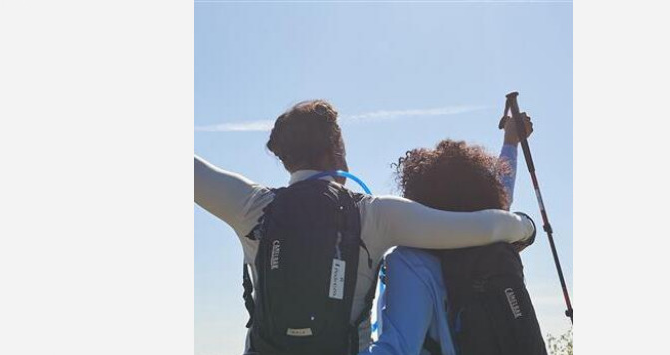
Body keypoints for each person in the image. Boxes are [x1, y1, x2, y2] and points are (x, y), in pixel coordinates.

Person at [194, 99, 536, 354]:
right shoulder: (375, 215)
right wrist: (524, 228)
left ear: (284, 157)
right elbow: (482, 223)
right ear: (337, 150)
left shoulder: (252, 206)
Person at [361, 113, 537, 355]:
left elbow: (398, 349)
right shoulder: (491, 243)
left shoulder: (411, 261)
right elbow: (502, 197)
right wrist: (511, 141)